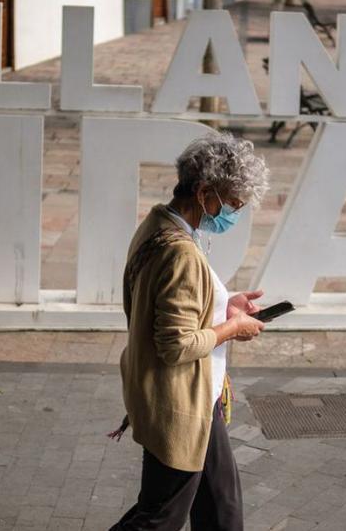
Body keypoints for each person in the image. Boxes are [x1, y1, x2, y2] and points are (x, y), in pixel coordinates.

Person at [109, 132, 270, 531]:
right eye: (232, 204)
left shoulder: (158, 224)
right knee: (160, 517)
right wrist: (232, 327)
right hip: (179, 400)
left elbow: (172, 308)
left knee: (221, 511)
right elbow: (176, 343)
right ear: (204, 193)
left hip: (200, 397)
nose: (234, 214)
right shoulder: (180, 251)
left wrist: (224, 306)